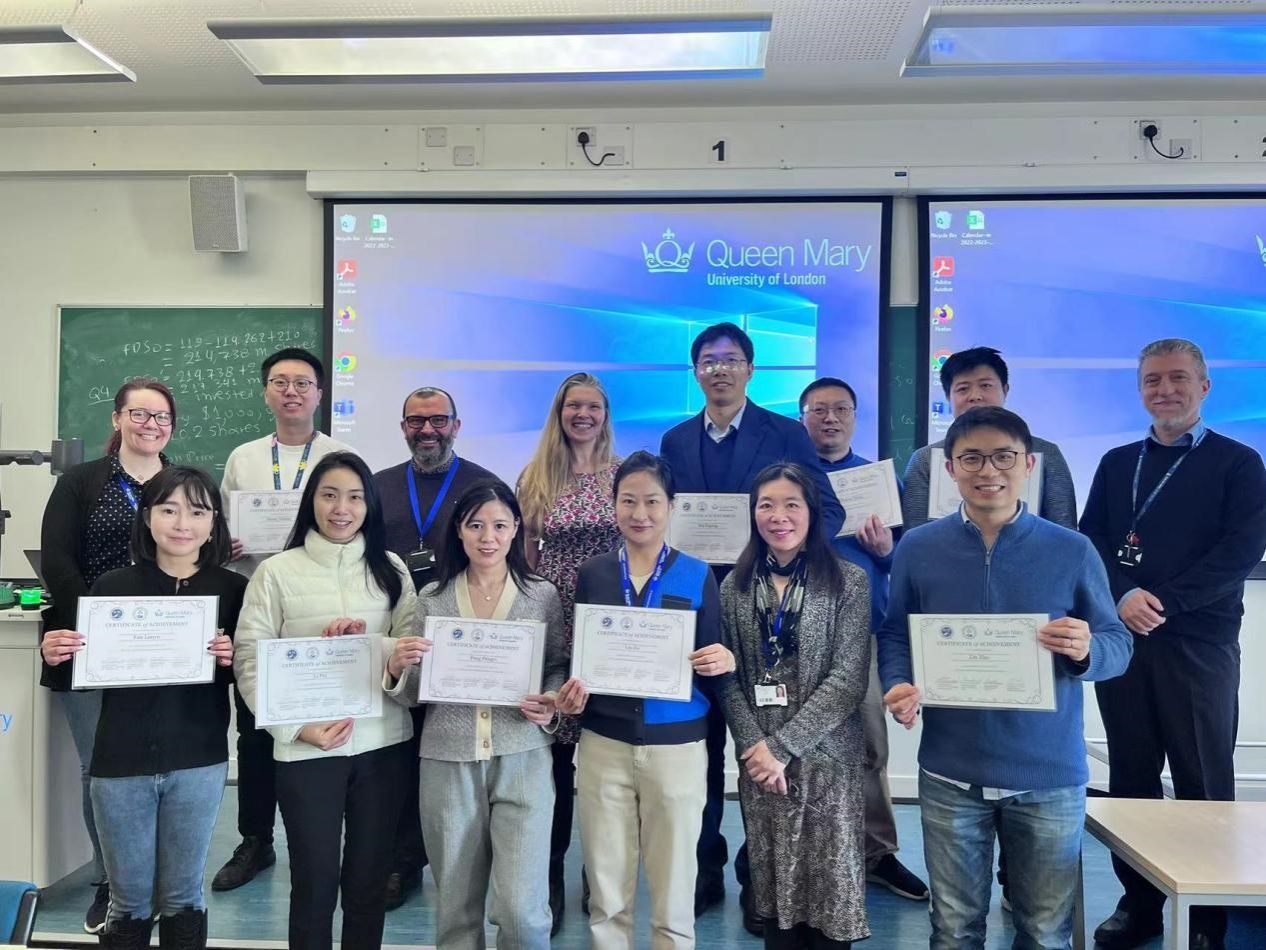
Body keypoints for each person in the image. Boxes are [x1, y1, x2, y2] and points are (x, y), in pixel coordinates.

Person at [879, 406, 1133, 950]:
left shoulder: (1071, 549)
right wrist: (896, 683)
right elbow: (896, 632)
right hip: (950, 772)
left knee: (1043, 933)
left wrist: (1087, 650)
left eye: (1003, 456)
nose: (988, 470)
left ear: (1029, 464)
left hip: (1048, 776)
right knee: (954, 931)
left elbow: (1119, 644)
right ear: (950, 469)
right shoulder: (919, 547)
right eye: (971, 458)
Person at [1080, 339, 1266, 950]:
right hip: (1125, 640)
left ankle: (1209, 918)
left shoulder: (1239, 463)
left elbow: (1240, 552)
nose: (1165, 390)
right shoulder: (1116, 462)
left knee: (1202, 780)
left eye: (1178, 378)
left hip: (1198, 644)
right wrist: (1123, 595)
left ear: (1204, 386)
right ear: (1141, 390)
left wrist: (1162, 602)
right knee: (1131, 778)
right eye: (1153, 380)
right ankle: (1139, 908)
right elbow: (1093, 539)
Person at [659, 322, 843, 925]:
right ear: (696, 371)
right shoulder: (675, 440)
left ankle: (759, 874)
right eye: (709, 360)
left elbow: (827, 508)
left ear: (749, 369)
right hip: (691, 610)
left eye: (732, 359)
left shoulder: (786, 433)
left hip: (768, 608)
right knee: (699, 743)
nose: (721, 369)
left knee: (762, 743)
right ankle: (705, 867)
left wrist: (776, 540)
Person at [41, 466, 245, 950]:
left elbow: (247, 678)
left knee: (183, 897)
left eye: (197, 512)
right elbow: (87, 670)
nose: (182, 523)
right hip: (120, 762)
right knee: (128, 901)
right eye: (168, 509)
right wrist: (56, 651)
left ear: (214, 523)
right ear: (147, 517)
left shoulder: (233, 590)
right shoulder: (111, 587)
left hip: (198, 760)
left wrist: (234, 659)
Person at [233, 452, 417, 950]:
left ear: (369, 505)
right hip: (306, 750)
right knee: (313, 884)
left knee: (369, 883)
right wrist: (296, 729)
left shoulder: (391, 569)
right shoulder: (276, 572)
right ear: (311, 501)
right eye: (329, 495)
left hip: (382, 746)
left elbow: (410, 654)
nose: (342, 508)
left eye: (355, 497)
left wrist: (378, 653)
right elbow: (249, 660)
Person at [555, 451, 736, 950]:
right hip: (603, 744)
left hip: (677, 748)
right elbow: (581, 658)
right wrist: (571, 694)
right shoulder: (594, 573)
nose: (640, 513)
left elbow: (714, 658)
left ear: (672, 506)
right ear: (613, 505)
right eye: (628, 500)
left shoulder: (698, 574)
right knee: (607, 893)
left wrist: (724, 659)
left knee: (675, 893)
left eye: (652, 501)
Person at [385, 479, 567, 950]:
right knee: (456, 910)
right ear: (459, 531)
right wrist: (399, 668)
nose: (488, 537)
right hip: (447, 761)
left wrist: (550, 699)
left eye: (500, 525)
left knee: (522, 910)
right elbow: (414, 694)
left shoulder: (541, 595)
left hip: (523, 757)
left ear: (516, 529)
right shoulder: (433, 598)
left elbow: (556, 666)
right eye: (476, 525)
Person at [213, 347, 354, 894]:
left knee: (326, 723)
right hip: (256, 600)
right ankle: (255, 839)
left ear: (320, 393)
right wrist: (227, 543)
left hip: (321, 606)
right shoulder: (244, 457)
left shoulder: (339, 454)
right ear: (266, 392)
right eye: (280, 382)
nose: (291, 391)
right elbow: (218, 531)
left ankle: (329, 840)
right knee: (255, 728)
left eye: (302, 383)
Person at [38, 377, 176, 934]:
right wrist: (98, 624)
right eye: (139, 414)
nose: (150, 425)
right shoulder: (81, 481)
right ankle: (111, 883)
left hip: (164, 646)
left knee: (163, 765)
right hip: (88, 643)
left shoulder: (182, 483)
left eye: (161, 417)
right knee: (100, 767)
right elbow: (57, 559)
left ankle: (162, 881)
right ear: (117, 419)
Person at [718, 462, 871, 949]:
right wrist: (757, 750)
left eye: (791, 504)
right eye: (766, 505)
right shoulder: (734, 587)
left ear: (812, 512)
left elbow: (848, 681)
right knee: (775, 894)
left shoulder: (848, 581)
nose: (778, 516)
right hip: (761, 765)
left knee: (830, 895)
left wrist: (782, 747)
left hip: (828, 759)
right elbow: (727, 678)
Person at [798, 377, 928, 903]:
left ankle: (877, 854)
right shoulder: (788, 480)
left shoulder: (878, 480)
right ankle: (805, 853)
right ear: (803, 417)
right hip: (796, 637)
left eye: (841, 410)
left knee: (871, 746)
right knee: (799, 745)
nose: (830, 418)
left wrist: (884, 551)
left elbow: (904, 562)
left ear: (854, 417)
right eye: (819, 410)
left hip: (864, 634)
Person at [373, 385, 495, 908]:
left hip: (462, 643)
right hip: (395, 636)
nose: (428, 430)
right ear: (403, 427)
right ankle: (398, 863)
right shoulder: (377, 486)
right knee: (397, 758)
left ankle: (449, 862)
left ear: (456, 426)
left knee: (445, 758)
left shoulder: (483, 486)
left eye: (438, 420)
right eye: (416, 421)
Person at [515, 371, 622, 932]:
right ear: (559, 413)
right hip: (554, 620)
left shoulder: (623, 474)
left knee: (604, 757)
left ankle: (599, 876)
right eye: (573, 405)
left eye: (593, 406)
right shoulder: (535, 476)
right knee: (554, 760)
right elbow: (526, 557)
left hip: (609, 623)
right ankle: (550, 874)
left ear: (605, 414)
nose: (583, 414)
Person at [902, 346, 1077, 530]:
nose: (975, 396)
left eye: (985, 386)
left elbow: (1065, 532)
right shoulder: (924, 460)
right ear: (948, 397)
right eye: (963, 389)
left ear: (1005, 390)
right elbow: (913, 535)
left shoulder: (1047, 453)